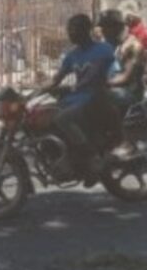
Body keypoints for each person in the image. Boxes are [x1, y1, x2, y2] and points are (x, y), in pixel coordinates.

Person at [42, 14, 117, 186]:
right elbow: (56, 79)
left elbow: (115, 71)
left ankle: (92, 157)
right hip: (77, 98)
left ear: (86, 30)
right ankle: (68, 159)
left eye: (74, 29)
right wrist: (35, 91)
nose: (70, 33)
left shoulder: (104, 49)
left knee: (63, 118)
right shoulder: (72, 56)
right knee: (48, 117)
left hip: (96, 97)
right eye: (69, 30)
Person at [100, 9, 147, 160]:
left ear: (116, 27)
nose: (103, 31)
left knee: (102, 99)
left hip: (130, 90)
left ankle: (124, 142)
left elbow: (126, 77)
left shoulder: (133, 46)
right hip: (113, 87)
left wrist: (102, 83)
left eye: (106, 27)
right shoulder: (110, 45)